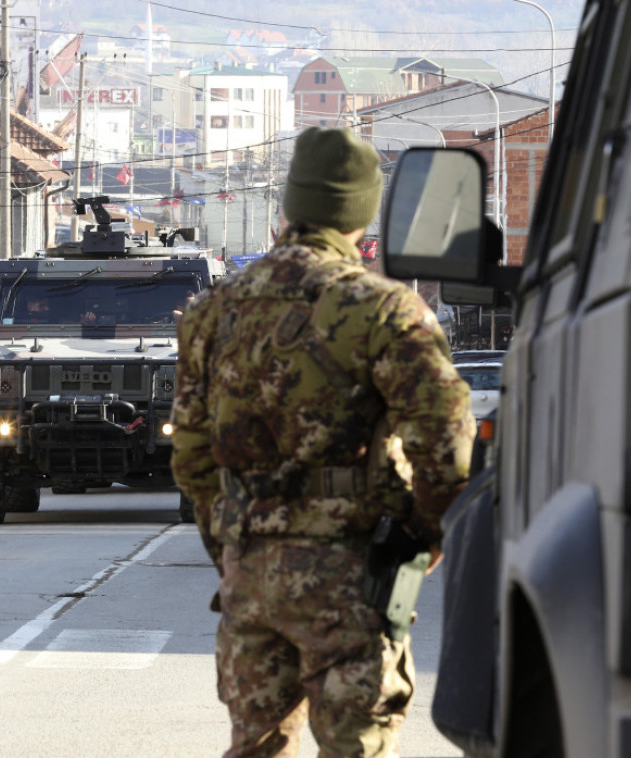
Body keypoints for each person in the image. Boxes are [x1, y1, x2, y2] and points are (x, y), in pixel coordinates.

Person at [172, 126, 475, 758]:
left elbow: (193, 458)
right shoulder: (383, 309)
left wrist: (233, 547)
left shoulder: (214, 311)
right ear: (362, 212)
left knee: (255, 746)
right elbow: (444, 440)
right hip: (352, 573)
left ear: (292, 203)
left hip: (250, 571)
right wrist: (427, 535)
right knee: (355, 745)